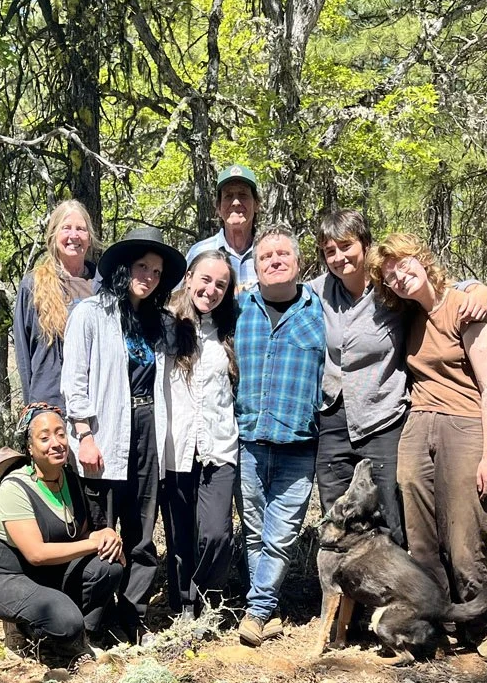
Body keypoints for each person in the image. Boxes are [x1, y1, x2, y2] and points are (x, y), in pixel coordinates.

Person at [310, 208, 487, 546]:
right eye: (329, 251)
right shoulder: (318, 293)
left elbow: (436, 289)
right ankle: (344, 580)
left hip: (383, 417)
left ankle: (393, 579)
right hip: (333, 419)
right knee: (337, 518)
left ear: (365, 245)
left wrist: (478, 290)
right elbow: (281, 292)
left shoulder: (390, 290)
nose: (338, 257)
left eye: (346, 246)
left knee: (391, 517)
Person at [368, 232, 487, 662]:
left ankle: (481, 624)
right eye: (390, 276)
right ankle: (438, 623)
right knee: (422, 539)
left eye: (403, 265)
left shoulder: (464, 306)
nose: (399, 277)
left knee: (464, 536)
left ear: (422, 260)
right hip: (417, 426)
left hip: (463, 425)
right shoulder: (408, 314)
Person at [61, 225, 188, 635]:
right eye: (142, 267)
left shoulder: (159, 324)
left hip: (149, 429)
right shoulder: (90, 314)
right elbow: (74, 381)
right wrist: (84, 435)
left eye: (156, 272)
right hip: (105, 431)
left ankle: (132, 619)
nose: (148, 277)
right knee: (102, 528)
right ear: (124, 268)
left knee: (142, 531)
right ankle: (93, 620)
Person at [234, 224, 326, 647]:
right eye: (265, 256)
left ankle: (256, 611)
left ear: (298, 262)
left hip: (299, 444)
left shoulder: (320, 308)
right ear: (255, 267)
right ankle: (265, 610)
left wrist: (468, 287)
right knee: (254, 531)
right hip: (249, 441)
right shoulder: (239, 308)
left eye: (282, 254)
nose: (274, 261)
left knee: (281, 535)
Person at [0, 403, 125, 663]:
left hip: (54, 572)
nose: (56, 443)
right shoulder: (15, 488)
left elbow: (83, 535)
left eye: (61, 434)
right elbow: (36, 554)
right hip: (11, 577)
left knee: (108, 566)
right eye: (44, 438)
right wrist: (94, 543)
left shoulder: (71, 480)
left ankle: (83, 638)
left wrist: (107, 537)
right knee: (64, 619)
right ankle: (28, 629)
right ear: (29, 447)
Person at [157, 250, 240, 616]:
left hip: (219, 446)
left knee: (216, 534)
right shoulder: (166, 323)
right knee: (179, 536)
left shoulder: (230, 328)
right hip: (176, 445)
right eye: (205, 279)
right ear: (189, 277)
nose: (212, 289)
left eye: (221, 284)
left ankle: (206, 599)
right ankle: (183, 609)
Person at [13, 201, 97, 408]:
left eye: (81, 229)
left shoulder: (101, 284)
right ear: (53, 235)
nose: (74, 236)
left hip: (94, 401)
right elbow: (23, 353)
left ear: (89, 238)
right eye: (66, 228)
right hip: (49, 404)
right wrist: (33, 408)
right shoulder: (33, 284)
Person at [187, 166, 261, 294]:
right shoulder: (199, 252)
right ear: (218, 208)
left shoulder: (270, 254)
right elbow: (180, 300)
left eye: (243, 195)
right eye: (228, 196)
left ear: (256, 204)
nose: (236, 202)